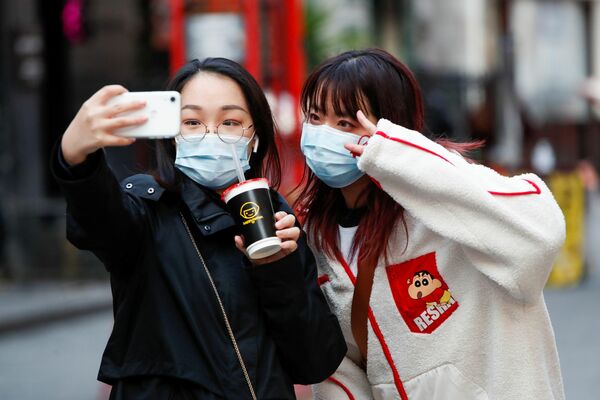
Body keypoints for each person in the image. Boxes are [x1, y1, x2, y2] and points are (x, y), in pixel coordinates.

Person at [51, 57, 346, 399]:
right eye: (191, 121)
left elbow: (314, 361)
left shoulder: (279, 218)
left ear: (254, 137)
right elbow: (100, 221)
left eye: (231, 122)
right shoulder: (147, 207)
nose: (211, 134)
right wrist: (76, 159)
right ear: (173, 136)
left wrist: (277, 270)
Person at [295, 48, 566, 400]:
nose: (323, 135)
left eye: (345, 123)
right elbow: (342, 366)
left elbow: (540, 237)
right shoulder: (317, 236)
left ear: (388, 129)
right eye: (315, 118)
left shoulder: (450, 198)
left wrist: (395, 155)